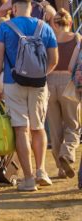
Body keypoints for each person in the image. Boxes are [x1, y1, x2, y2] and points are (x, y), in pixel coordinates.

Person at [0, 0, 58, 192]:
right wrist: (40, 74)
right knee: (38, 127)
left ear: (14, 7)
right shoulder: (44, 27)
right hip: (39, 84)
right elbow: (54, 59)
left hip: (13, 82)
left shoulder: (5, 27)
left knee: (21, 129)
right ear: (31, 7)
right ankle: (41, 170)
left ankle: (28, 179)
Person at [47, 9, 80, 179]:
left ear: (55, 23)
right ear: (70, 23)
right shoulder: (76, 38)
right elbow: (73, 65)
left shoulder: (49, 38)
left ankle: (60, 168)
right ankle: (66, 153)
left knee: (54, 128)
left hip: (49, 81)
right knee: (72, 124)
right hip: (68, 82)